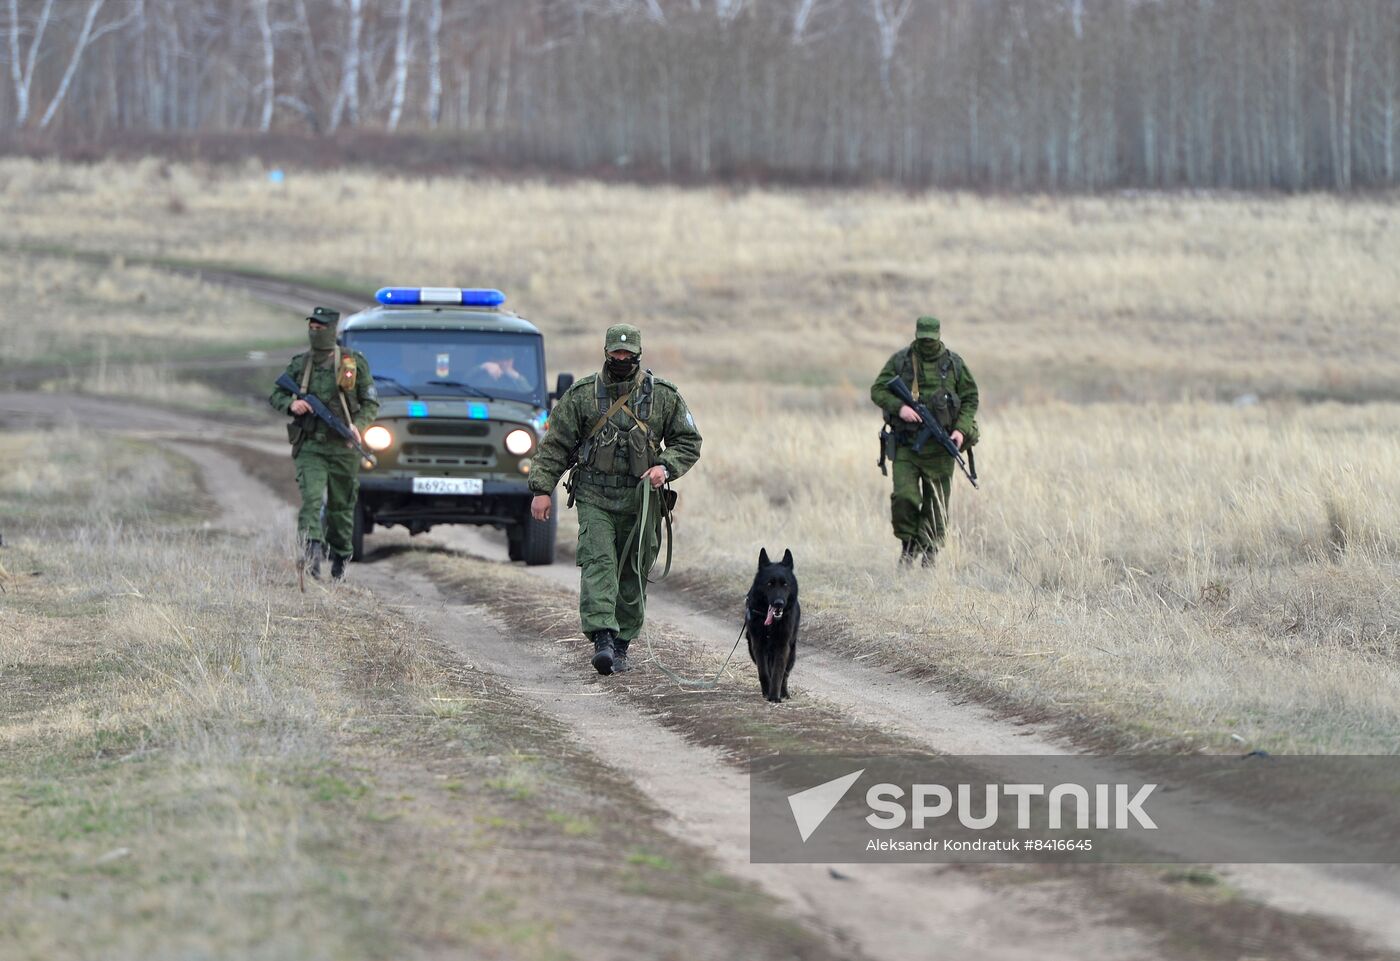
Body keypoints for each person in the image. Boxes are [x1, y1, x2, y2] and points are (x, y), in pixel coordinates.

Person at [527, 324, 702, 675]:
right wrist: (541, 489)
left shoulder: (664, 396)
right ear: (606, 353)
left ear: (638, 355)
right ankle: (603, 638)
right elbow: (555, 445)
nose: (621, 359)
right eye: (616, 353)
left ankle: (622, 642)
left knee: (633, 571)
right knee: (599, 563)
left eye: (628, 354)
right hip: (595, 497)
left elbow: (688, 442)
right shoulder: (581, 396)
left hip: (642, 502)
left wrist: (664, 468)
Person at [269, 306, 380, 581]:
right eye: (312, 328)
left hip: (343, 448)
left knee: (341, 508)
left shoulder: (353, 363)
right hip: (311, 447)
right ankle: (311, 555)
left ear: (332, 331)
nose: (314, 332)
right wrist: (291, 404)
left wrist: (358, 426)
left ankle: (341, 555)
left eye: (320, 329)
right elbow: (276, 394)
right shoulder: (300, 364)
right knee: (311, 501)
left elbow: (370, 403)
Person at [870, 315, 979, 566]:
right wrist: (900, 408)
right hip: (907, 445)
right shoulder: (902, 360)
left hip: (941, 449)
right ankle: (908, 545)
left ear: (939, 336)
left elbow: (971, 398)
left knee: (937, 504)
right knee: (904, 497)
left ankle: (929, 553)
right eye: (923, 339)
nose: (927, 343)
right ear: (917, 335)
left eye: (931, 339)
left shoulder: (954, 364)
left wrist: (961, 431)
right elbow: (878, 390)